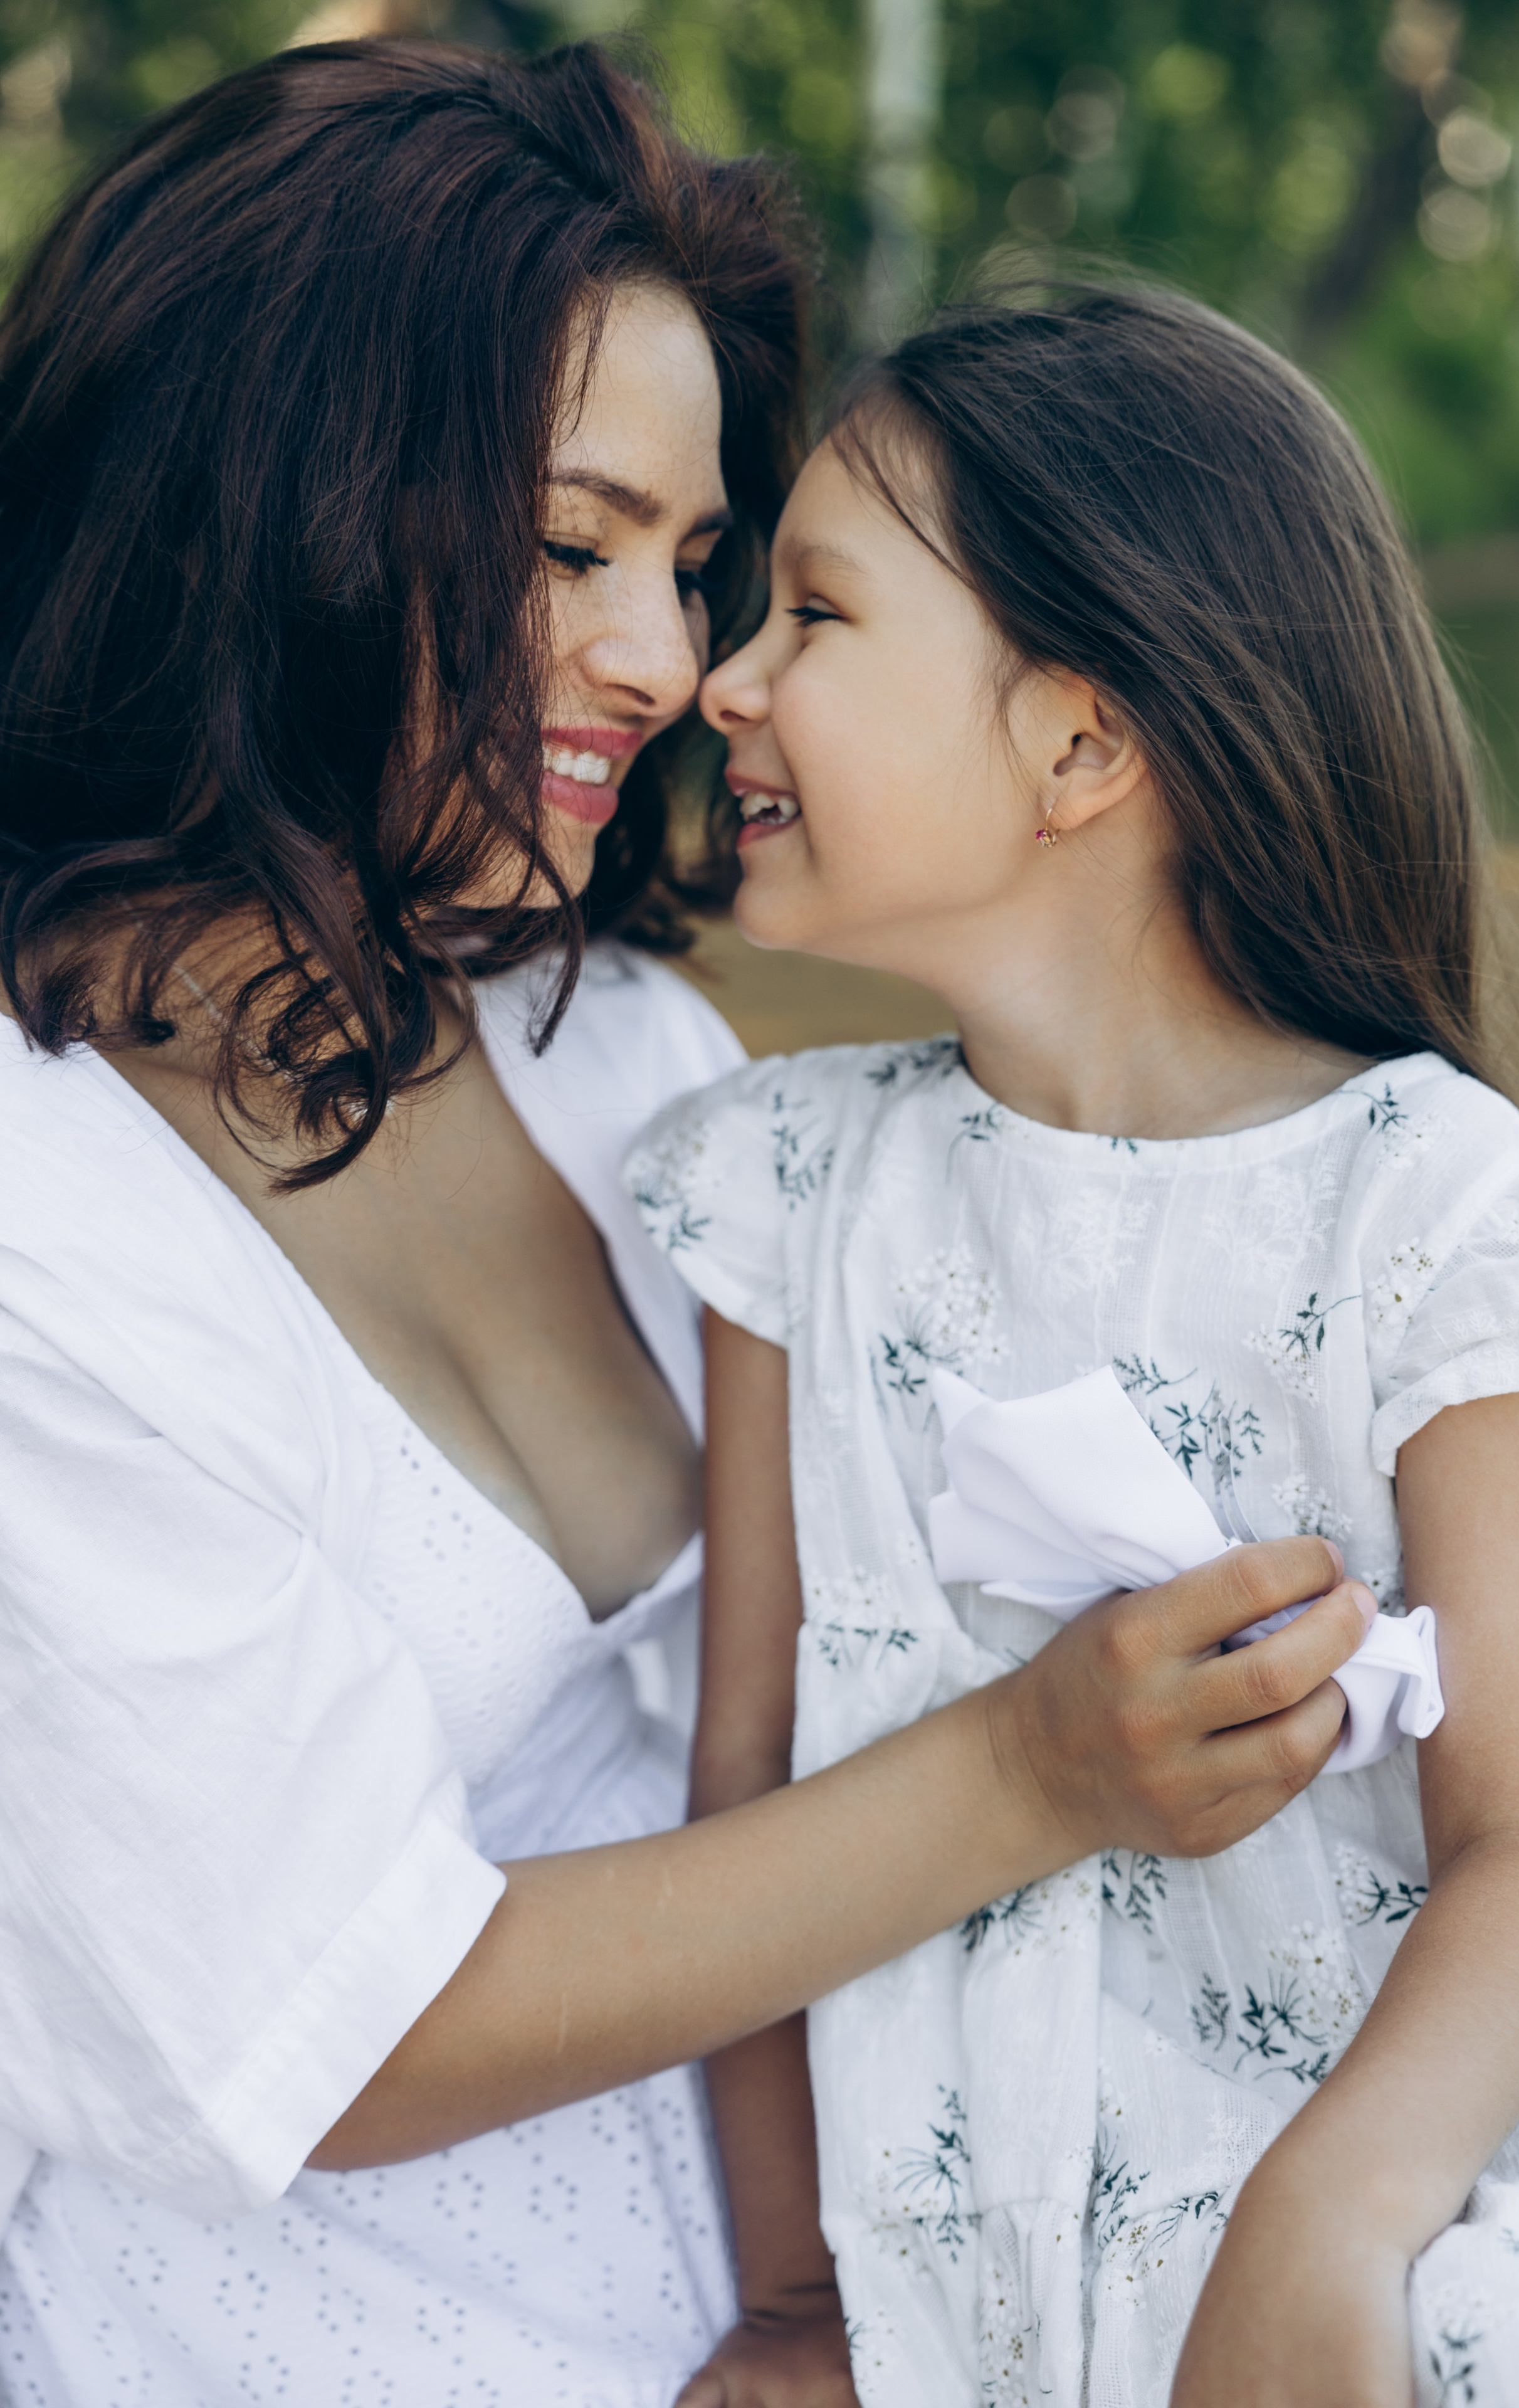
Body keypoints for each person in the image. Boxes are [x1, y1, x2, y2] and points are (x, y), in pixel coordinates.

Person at [0, 48, 1371, 2408]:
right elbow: (333, 2029)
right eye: (571, 549)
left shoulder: (609, 1045)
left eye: (694, 562)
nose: (667, 664)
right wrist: (1035, 1774)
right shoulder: (48, 1223)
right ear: (267, 508)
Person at [632, 287, 1519, 2408]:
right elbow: (745, 1792)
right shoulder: (790, 1198)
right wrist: (796, 2303)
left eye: (815, 615)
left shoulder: (1436, 1210)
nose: (724, 678)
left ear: (1079, 743)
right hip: (957, 2311)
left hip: (1368, 2280)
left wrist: (1330, 2227)